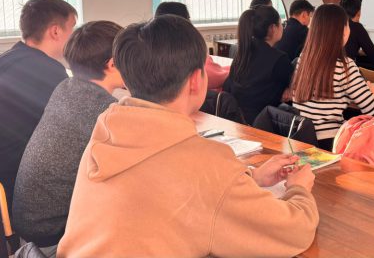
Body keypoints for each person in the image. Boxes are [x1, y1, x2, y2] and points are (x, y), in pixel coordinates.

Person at [57, 15, 318, 257]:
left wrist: (251, 177)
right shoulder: (206, 162)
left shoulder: (106, 130)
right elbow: (294, 230)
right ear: (196, 80)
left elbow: (165, 187)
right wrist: (298, 188)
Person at [12, 21, 123, 257]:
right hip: (54, 241)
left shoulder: (65, 88)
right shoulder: (107, 111)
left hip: (29, 229)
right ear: (113, 64)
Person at [0, 0, 77, 209]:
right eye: (72, 28)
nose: (75, 36)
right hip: (11, 190)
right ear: (55, 31)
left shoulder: (12, 60)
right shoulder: (47, 72)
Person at [291, 4, 374, 150]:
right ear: (343, 31)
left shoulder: (303, 58)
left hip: (301, 139)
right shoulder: (345, 66)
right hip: (330, 144)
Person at [224, 5, 293, 123]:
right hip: (264, 123)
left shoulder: (242, 54)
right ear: (273, 28)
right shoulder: (279, 59)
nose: (283, 27)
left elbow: (228, 86)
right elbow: (291, 93)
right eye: (281, 24)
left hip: (237, 120)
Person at [154, 1, 229, 91]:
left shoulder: (152, 49)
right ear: (182, 21)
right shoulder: (188, 48)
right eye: (188, 18)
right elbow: (214, 76)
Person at [340, 0, 374, 71]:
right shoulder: (356, 27)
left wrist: (357, 53)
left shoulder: (333, 25)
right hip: (347, 71)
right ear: (358, 12)